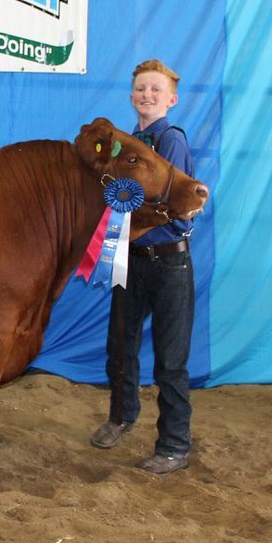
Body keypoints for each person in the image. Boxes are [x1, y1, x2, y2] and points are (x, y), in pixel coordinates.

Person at [89, 59, 198, 474]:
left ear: (172, 99)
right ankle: (122, 416)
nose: (146, 95)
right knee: (120, 345)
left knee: (170, 360)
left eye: (155, 89)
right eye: (140, 89)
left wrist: (129, 225)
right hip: (131, 261)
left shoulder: (170, 141)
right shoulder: (127, 144)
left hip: (169, 262)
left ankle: (174, 444)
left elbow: (177, 207)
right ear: (131, 96)